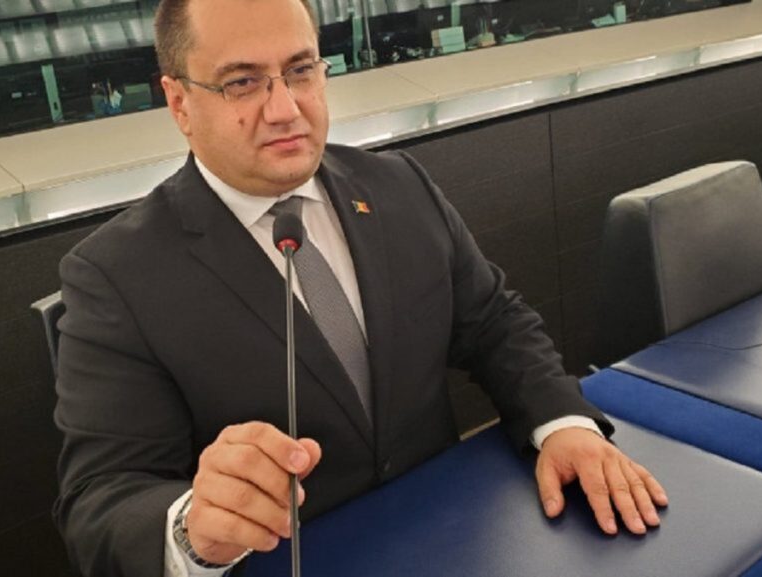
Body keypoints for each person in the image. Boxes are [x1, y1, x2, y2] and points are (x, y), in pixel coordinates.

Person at [52, 0, 668, 576]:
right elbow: (101, 499)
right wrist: (193, 530)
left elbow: (493, 323)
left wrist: (561, 424)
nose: (285, 108)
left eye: (300, 71)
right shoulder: (114, 277)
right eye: (241, 82)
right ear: (179, 103)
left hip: (453, 538)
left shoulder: (398, 184)